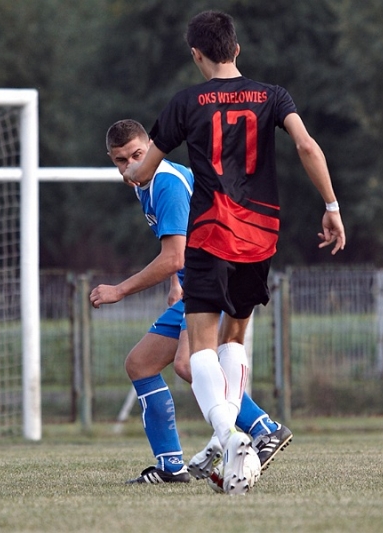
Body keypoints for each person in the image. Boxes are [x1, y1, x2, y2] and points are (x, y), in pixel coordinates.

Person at [123, 11, 345, 494]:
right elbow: (307, 147)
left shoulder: (186, 102)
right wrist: (331, 206)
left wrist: (134, 173)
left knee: (200, 347)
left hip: (211, 234)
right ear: (237, 49)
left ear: (196, 54)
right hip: (260, 235)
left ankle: (230, 435)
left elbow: (147, 168)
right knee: (235, 338)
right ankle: (234, 440)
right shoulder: (273, 96)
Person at [91, 119, 292, 485]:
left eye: (137, 155)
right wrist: (176, 283)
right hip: (196, 279)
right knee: (140, 364)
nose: (130, 165)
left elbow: (174, 256)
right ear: (112, 159)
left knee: (188, 363)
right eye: (121, 160)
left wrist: (119, 290)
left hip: (216, 276)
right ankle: (170, 467)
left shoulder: (165, 183)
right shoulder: (145, 183)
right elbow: (181, 239)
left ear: (152, 147)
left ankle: (265, 428)